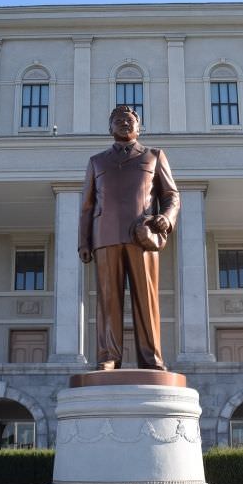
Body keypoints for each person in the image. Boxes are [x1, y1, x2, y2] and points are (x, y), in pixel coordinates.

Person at [78, 105, 180, 370]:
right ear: (109, 128)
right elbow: (87, 205)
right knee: (108, 299)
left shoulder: (154, 156)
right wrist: (84, 241)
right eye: (118, 120)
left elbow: (171, 196)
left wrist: (166, 218)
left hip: (142, 236)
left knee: (146, 298)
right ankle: (108, 356)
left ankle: (151, 357)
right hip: (105, 236)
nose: (124, 123)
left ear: (139, 127)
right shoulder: (97, 161)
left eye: (130, 120)